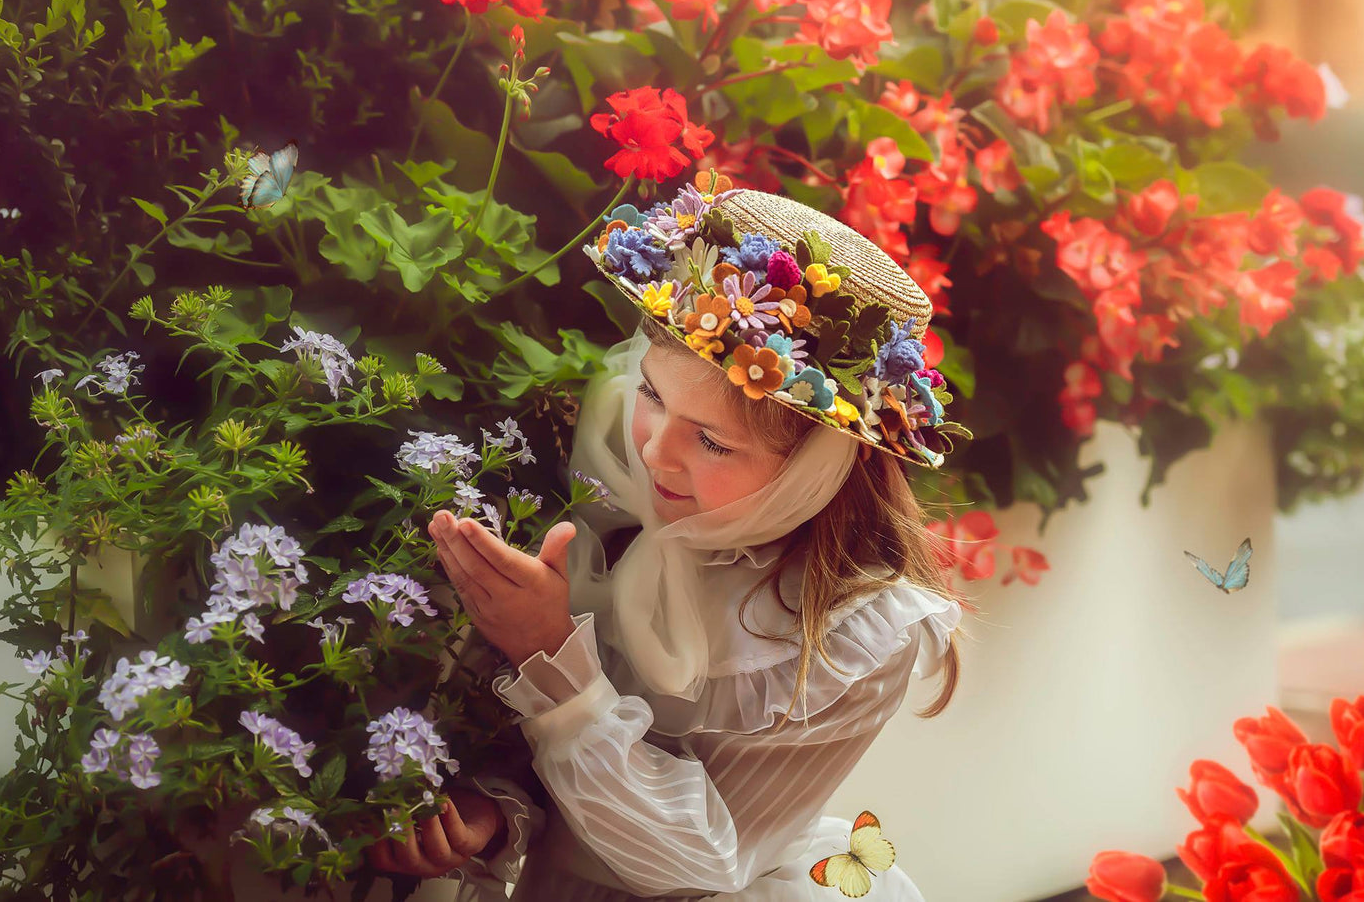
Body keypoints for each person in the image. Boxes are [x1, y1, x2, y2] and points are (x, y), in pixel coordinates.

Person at [369, 177, 971, 899]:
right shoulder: (611, 484)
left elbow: (697, 860)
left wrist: (549, 658)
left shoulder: (851, 634)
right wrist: (493, 815)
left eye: (712, 441)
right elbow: (532, 759)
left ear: (819, 469)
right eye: (652, 395)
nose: (654, 451)